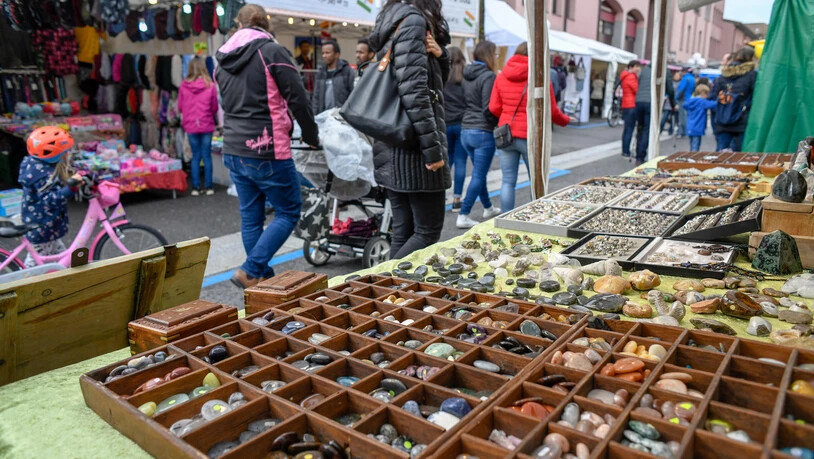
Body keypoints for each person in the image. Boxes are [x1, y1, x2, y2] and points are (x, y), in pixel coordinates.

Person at [216, 4, 319, 289]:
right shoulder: (271, 52)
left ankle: (260, 279)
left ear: (239, 24)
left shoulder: (222, 58)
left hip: (234, 147)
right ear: (266, 24)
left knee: (251, 218)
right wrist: (311, 134)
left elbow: (225, 103)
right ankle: (251, 269)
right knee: (288, 211)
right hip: (267, 147)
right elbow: (298, 97)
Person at [368, 0, 451, 259]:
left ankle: (390, 294)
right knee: (426, 232)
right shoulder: (414, 22)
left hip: (393, 144)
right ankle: (382, 284)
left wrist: (441, 56)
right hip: (414, 148)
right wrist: (433, 151)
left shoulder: (393, 22)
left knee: (404, 232)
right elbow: (415, 93)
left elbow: (431, 87)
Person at [489, 42, 570, 212]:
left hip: (506, 133)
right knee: (537, 181)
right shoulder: (539, 77)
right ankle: (536, 217)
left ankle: (506, 218)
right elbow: (551, 110)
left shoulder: (502, 76)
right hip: (530, 135)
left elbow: (494, 108)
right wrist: (566, 120)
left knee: (508, 181)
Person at [19, 126, 82, 267]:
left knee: (60, 257)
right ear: (55, 155)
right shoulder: (45, 176)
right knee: (35, 264)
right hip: (43, 225)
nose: (68, 155)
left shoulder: (35, 164)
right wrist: (70, 188)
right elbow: (50, 200)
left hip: (42, 223)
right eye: (66, 152)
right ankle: (24, 282)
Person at [456, 40, 499, 229]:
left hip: (466, 129)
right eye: (495, 54)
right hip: (482, 131)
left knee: (478, 174)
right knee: (479, 175)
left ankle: (488, 207)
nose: (496, 57)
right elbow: (488, 107)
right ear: (489, 55)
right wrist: (495, 124)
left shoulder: (466, 74)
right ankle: (463, 214)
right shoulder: (488, 76)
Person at [178, 56, 219, 196]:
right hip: (206, 123)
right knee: (206, 155)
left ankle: (195, 187)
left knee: (195, 155)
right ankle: (209, 187)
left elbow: (180, 106)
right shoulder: (210, 85)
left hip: (190, 125)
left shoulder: (184, 85)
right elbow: (214, 107)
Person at [711, 46, 757, 151]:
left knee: (721, 155)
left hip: (723, 119)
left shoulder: (723, 74)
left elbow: (715, 95)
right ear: (750, 58)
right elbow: (755, 97)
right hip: (742, 119)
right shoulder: (752, 75)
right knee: (744, 157)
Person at [444, 46, 467, 212]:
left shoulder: (442, 76)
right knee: (460, 161)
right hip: (462, 124)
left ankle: (441, 191)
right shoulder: (466, 77)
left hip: (445, 123)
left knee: (446, 160)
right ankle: (457, 199)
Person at [311, 39, 355, 115]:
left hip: (341, 118)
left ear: (337, 54)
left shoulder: (347, 71)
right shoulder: (320, 73)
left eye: (327, 53)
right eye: (323, 53)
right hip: (323, 117)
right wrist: (314, 116)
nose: (324, 56)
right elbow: (316, 98)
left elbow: (353, 95)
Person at [684, 84, 717, 152]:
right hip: (698, 127)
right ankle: (693, 160)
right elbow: (713, 104)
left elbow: (685, 105)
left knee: (692, 145)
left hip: (690, 126)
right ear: (703, 93)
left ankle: (690, 158)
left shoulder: (690, 101)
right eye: (707, 94)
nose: (707, 96)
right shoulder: (702, 102)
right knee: (696, 147)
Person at [619, 60, 641, 159]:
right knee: (629, 129)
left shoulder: (625, 76)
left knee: (627, 128)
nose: (638, 69)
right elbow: (636, 90)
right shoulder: (631, 77)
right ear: (631, 67)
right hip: (631, 104)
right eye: (637, 66)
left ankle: (625, 150)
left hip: (626, 104)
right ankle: (626, 151)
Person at [633, 63, 652, 165]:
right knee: (646, 129)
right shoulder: (661, 70)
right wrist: (673, 103)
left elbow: (638, 83)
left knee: (640, 128)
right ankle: (641, 156)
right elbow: (669, 87)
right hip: (649, 102)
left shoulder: (644, 70)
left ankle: (637, 155)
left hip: (639, 101)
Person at [675, 67, 696, 137]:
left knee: (682, 116)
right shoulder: (693, 79)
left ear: (684, 71)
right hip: (689, 98)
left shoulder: (685, 79)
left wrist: (676, 98)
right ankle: (687, 131)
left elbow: (681, 90)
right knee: (687, 115)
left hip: (682, 99)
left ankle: (682, 132)